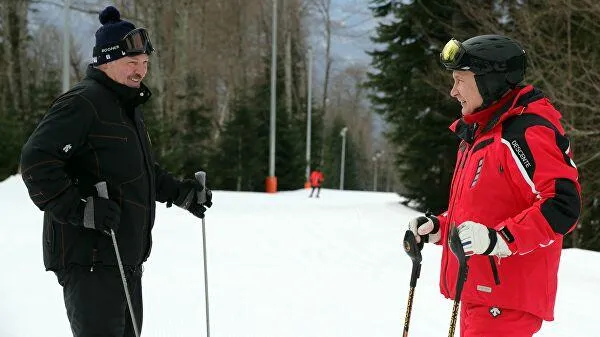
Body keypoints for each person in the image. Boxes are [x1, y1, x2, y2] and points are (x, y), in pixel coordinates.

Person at [19, 6, 212, 337]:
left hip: (124, 258)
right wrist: (80, 208)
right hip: (91, 257)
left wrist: (180, 193)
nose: (140, 71)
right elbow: (36, 161)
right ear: (105, 62)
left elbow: (137, 170)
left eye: (145, 63)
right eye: (132, 63)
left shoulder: (124, 108)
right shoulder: (83, 102)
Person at [408, 35, 581, 337]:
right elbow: (485, 213)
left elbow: (563, 206)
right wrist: (440, 228)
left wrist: (501, 239)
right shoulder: (480, 136)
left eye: (460, 80)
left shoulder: (525, 131)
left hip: (505, 302)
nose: (453, 91)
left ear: (489, 81)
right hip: (480, 293)